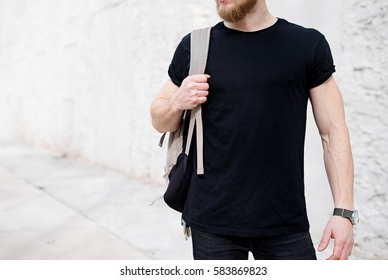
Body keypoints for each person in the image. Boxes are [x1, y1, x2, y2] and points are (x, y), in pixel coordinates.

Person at [150, 0, 356, 260]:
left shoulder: (306, 45)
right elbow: (159, 120)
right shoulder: (195, 46)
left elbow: (333, 133)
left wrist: (344, 212)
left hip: (284, 222)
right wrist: (176, 102)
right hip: (212, 223)